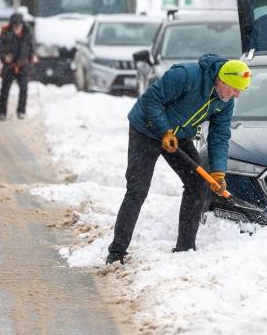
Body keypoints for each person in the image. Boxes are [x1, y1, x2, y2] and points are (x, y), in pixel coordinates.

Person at [106, 54, 251, 264]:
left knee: (198, 183)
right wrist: (164, 130)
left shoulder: (224, 102)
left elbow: (219, 135)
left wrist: (218, 171)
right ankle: (117, 251)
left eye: (240, 91)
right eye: (235, 88)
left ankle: (185, 248)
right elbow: (150, 100)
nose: (236, 95)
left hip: (178, 136)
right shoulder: (186, 75)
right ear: (221, 80)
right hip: (145, 129)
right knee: (138, 188)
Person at [0, 13, 37, 120]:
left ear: (22, 25)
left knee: (24, 88)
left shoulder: (28, 33)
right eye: (15, 26)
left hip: (23, 65)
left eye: (19, 25)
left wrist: (33, 55)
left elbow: (32, 47)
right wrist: (5, 57)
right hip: (9, 66)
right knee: (4, 90)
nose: (17, 28)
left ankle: (21, 111)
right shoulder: (5, 33)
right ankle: (2, 113)